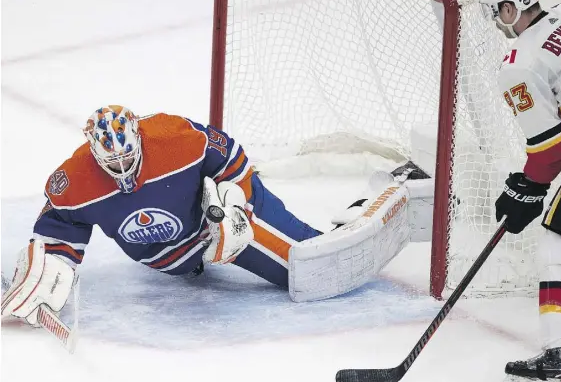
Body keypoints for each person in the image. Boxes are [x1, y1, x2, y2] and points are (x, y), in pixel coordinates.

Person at [1, 105, 414, 327]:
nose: (122, 166)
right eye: (111, 159)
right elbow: (60, 226)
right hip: (166, 258)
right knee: (282, 254)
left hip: (213, 220)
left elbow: (232, 162)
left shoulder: (175, 136)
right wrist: (50, 262)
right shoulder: (73, 179)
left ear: (139, 138)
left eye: (128, 155)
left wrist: (234, 204)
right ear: (94, 151)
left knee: (302, 264)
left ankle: (317, 240)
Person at [479, 0, 561, 382]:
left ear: (511, 9)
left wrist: (526, 187)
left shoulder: (518, 62)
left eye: (497, 10)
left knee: (554, 247)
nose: (497, 21)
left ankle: (556, 356)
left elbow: (548, 153)